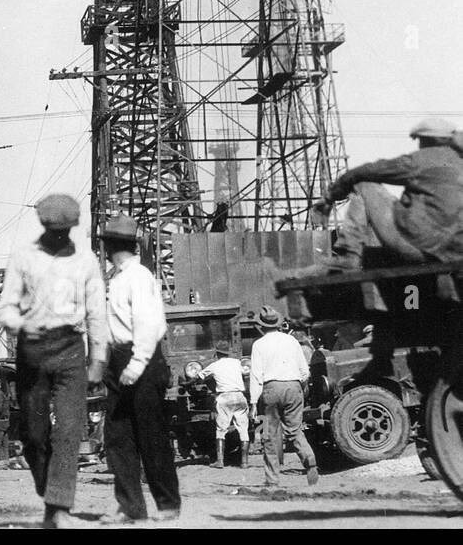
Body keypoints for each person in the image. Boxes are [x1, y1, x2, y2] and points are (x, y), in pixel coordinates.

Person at [0, 193, 108, 528]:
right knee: (34, 435)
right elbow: (5, 307)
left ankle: (59, 508)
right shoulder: (23, 258)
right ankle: (50, 493)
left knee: (71, 430)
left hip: (71, 348)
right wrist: (21, 324)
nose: (62, 237)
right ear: (44, 226)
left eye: (66, 231)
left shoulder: (86, 260)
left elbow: (96, 312)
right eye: (55, 231)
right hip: (33, 350)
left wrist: (98, 358)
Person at [99, 214, 181, 523]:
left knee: (151, 435)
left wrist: (136, 363)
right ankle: (130, 507)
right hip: (120, 359)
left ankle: (168, 504)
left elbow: (148, 323)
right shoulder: (118, 279)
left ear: (112, 245)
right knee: (118, 438)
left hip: (142, 360)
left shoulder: (138, 277)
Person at [316, 119, 463, 279]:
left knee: (365, 184)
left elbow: (365, 171)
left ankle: (348, 255)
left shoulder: (421, 160)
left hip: (420, 248)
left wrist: (330, 197)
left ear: (424, 139)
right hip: (455, 253)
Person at [249, 306, 319, 489]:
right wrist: (299, 388)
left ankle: (272, 480)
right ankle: (309, 458)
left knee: (271, 435)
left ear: (261, 326)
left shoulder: (259, 344)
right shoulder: (292, 341)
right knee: (294, 430)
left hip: (271, 388)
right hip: (294, 386)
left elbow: (256, 376)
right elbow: (305, 371)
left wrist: (253, 401)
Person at [198, 340, 250, 469]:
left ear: (217, 352)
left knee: (221, 429)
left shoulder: (214, 365)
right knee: (243, 429)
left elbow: (200, 377)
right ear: (228, 352)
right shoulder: (237, 363)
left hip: (224, 397)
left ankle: (220, 461)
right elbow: (246, 373)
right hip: (239, 396)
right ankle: (244, 462)